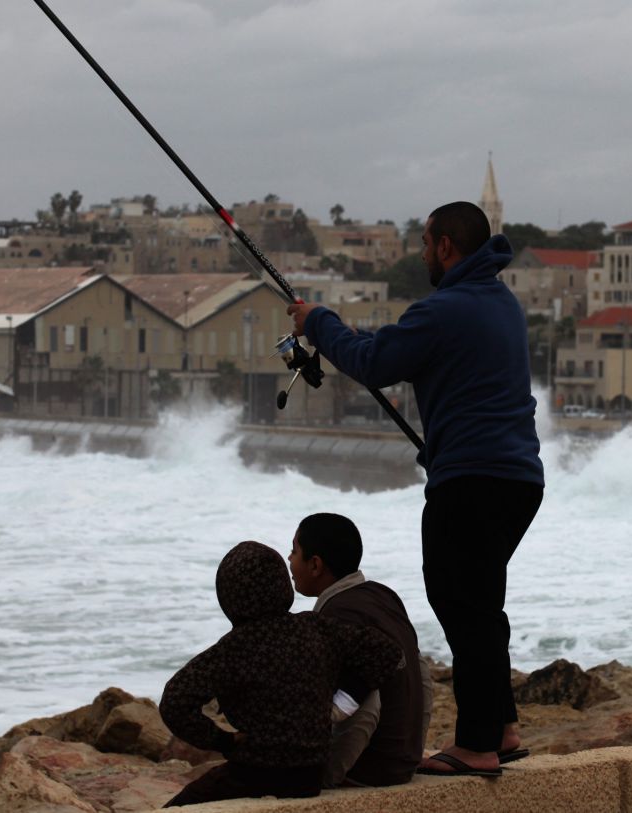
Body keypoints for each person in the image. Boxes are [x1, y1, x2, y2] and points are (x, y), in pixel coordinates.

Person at [287, 201, 544, 777]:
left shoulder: (445, 309)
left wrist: (317, 321)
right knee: (482, 603)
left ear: (446, 246)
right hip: (517, 478)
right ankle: (501, 727)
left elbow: (373, 361)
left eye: (426, 243)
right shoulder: (502, 305)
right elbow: (470, 387)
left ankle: (477, 746)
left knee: (462, 604)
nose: (422, 252)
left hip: (471, 481)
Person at [158, 540, 402, 805]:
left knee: (178, 805)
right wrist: (346, 700)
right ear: (282, 586)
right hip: (310, 776)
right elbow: (388, 651)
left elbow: (174, 701)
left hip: (253, 772)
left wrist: (223, 741)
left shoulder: (234, 649)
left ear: (228, 596)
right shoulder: (316, 628)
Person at [287, 512, 433, 787]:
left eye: (294, 551)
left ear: (315, 564)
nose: (289, 560)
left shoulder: (336, 616)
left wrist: (324, 779)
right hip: (402, 762)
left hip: (368, 772)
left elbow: (365, 705)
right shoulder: (383, 595)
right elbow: (420, 679)